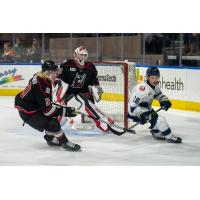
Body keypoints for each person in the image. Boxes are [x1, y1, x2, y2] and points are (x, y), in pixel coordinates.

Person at [15, 60, 81, 151]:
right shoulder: (43, 85)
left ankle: (50, 138)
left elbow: (44, 103)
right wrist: (65, 111)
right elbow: (47, 111)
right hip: (28, 113)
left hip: (31, 107)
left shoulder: (40, 77)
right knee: (53, 124)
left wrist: (62, 109)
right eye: (54, 72)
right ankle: (65, 143)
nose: (56, 74)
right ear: (48, 72)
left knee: (51, 121)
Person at [55, 46, 106, 131]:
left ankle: (102, 123)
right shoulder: (67, 64)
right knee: (64, 112)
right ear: (76, 54)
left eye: (85, 55)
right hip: (68, 94)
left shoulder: (90, 67)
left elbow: (95, 82)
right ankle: (59, 125)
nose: (83, 57)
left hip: (83, 94)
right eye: (81, 55)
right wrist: (60, 95)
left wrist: (97, 89)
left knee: (89, 106)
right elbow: (59, 80)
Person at [128, 66, 182, 143]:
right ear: (147, 77)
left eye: (156, 78)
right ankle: (170, 137)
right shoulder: (142, 88)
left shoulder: (154, 86)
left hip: (146, 109)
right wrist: (140, 115)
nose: (154, 80)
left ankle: (157, 134)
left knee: (155, 120)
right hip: (135, 110)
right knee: (160, 120)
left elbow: (159, 95)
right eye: (152, 78)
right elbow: (132, 105)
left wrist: (165, 101)